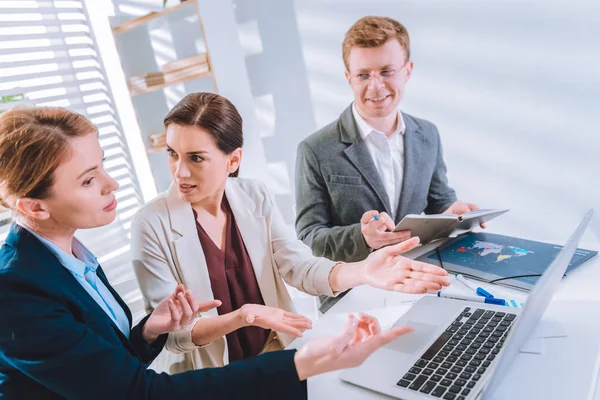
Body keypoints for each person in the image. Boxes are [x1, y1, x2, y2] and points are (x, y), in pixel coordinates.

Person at [0, 106, 414, 399]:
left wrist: (146, 331)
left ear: (233, 161)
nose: (113, 185)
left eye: (103, 167)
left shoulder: (74, 255)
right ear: (34, 207)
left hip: (265, 363)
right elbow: (136, 391)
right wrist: (298, 361)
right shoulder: (16, 293)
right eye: (89, 180)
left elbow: (106, 359)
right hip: (209, 380)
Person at [131, 92, 450, 373]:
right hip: (212, 376)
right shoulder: (151, 224)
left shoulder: (254, 196)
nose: (179, 171)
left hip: (276, 356)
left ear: (234, 160)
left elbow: (300, 268)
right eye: (172, 153)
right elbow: (174, 335)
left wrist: (363, 271)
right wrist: (244, 317)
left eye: (196, 158)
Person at [295, 16, 482, 264]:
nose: (376, 86)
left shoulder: (427, 135)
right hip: (354, 290)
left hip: (418, 275)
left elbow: (439, 203)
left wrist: (452, 214)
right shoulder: (315, 149)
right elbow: (309, 238)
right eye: (363, 75)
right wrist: (362, 238)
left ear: (408, 71)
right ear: (348, 77)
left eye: (387, 71)